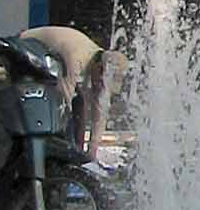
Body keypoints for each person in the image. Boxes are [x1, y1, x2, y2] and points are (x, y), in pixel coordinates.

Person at [19, 24, 126, 160]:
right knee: (73, 104)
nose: (100, 86)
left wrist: (93, 149)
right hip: (26, 45)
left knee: (78, 103)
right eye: (101, 82)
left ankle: (78, 150)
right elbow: (63, 100)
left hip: (49, 58)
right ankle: (66, 149)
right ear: (99, 68)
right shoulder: (75, 59)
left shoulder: (96, 58)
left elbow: (100, 109)